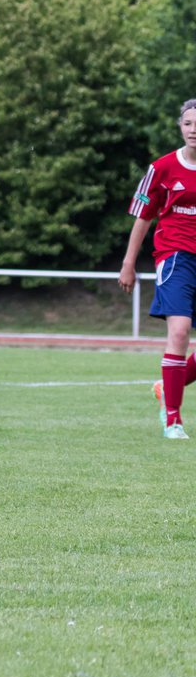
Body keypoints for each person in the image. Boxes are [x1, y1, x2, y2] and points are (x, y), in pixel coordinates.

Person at [120, 98, 196, 440]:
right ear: (180, 127)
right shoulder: (162, 168)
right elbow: (143, 217)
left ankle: (166, 388)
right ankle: (173, 420)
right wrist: (128, 264)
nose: (194, 130)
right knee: (179, 333)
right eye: (189, 123)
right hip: (176, 257)